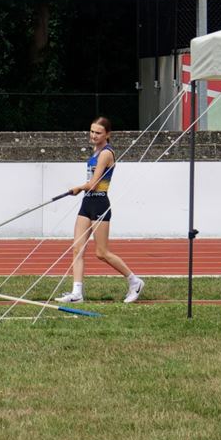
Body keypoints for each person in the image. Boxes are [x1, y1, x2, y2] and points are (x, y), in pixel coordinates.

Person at [55, 116, 144, 304]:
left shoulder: (106, 153)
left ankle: (134, 281)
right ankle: (77, 293)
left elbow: (94, 184)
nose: (94, 135)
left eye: (98, 133)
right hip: (87, 203)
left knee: (101, 252)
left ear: (107, 134)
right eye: (92, 131)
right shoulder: (96, 151)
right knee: (77, 248)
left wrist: (78, 188)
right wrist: (82, 189)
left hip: (99, 203)